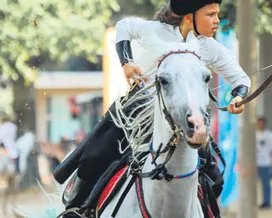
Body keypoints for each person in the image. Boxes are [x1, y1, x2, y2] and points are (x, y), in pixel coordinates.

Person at [58, 0, 251, 216]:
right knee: (96, 155)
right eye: (211, 14)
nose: (217, 20)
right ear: (189, 17)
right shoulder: (155, 32)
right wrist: (126, 62)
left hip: (187, 119)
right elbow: (124, 27)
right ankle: (77, 208)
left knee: (214, 176)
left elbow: (241, 79)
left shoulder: (209, 47)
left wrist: (238, 97)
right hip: (138, 115)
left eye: (217, 14)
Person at [256, 117, 272, 209]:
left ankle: (267, 201)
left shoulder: (268, 134)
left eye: (262, 123)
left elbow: (271, 148)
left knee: (266, 183)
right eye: (259, 123)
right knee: (255, 184)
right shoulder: (255, 134)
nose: (260, 125)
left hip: (265, 163)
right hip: (256, 162)